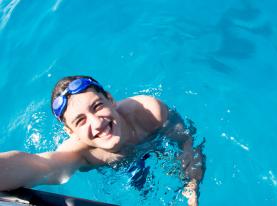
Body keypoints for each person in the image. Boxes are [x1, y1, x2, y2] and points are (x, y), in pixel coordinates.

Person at [0, 76, 205, 206]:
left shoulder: (149, 113)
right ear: (71, 132)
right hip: (121, 170)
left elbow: (186, 141)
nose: (97, 123)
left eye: (97, 106)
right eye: (80, 121)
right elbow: (40, 165)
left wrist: (192, 185)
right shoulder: (81, 154)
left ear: (111, 99)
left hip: (154, 144)